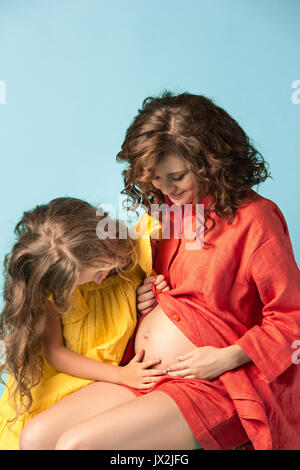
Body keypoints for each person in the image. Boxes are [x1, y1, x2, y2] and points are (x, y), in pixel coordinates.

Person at [19, 91, 300, 450]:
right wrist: (149, 298)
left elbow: (291, 316)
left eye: (177, 176)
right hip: (148, 373)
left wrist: (227, 356)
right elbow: (179, 290)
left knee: (76, 446)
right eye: (155, 179)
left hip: (211, 382)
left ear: (210, 161)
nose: (166, 190)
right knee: (35, 438)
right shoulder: (169, 215)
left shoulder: (256, 219)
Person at [0, 196, 168, 450]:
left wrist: (148, 298)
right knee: (32, 438)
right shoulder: (54, 288)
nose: (99, 281)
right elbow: (55, 353)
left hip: (109, 381)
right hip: (72, 376)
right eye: (88, 280)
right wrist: (121, 375)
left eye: (99, 272)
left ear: (106, 243)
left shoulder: (137, 252)